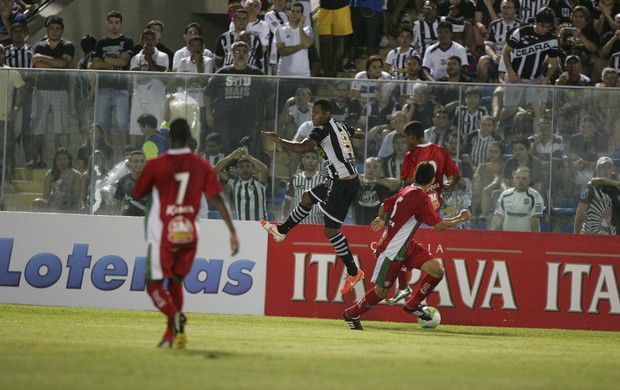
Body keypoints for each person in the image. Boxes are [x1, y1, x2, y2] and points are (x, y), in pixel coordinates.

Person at [132, 118, 239, 349]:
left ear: (170, 138)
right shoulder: (201, 165)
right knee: (176, 284)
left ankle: (174, 316)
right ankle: (173, 337)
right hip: (189, 233)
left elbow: (138, 191)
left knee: (153, 285)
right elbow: (218, 198)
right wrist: (231, 231)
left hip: (166, 231)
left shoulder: (158, 164)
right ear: (190, 138)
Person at [342, 162, 472, 330]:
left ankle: (412, 305)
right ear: (432, 180)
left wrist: (382, 219)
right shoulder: (420, 197)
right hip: (393, 250)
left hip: (407, 245)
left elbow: (384, 206)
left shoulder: (407, 190)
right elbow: (439, 226)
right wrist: (460, 218)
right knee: (381, 292)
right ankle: (351, 314)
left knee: (437, 271)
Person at [261, 98, 366, 294]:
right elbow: (360, 134)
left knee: (331, 232)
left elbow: (301, 148)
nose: (313, 115)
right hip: (339, 180)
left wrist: (278, 140)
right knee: (307, 197)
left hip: (342, 185)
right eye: (313, 112)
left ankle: (353, 272)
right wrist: (351, 137)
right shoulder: (340, 124)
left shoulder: (322, 129)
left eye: (317, 112)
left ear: (327, 114)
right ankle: (282, 230)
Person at [499, 7, 559, 136]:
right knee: (510, 109)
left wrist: (546, 79)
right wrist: (509, 70)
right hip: (515, 76)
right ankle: (498, 127)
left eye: (548, 27)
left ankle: (537, 139)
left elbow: (552, 63)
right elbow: (506, 51)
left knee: (540, 111)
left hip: (535, 78)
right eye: (542, 26)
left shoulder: (552, 39)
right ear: (535, 22)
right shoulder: (521, 32)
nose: (544, 29)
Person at [203, 40, 267, 157]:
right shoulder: (222, 72)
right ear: (232, 54)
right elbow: (208, 94)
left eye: (244, 51)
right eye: (237, 51)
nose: (241, 54)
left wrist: (262, 112)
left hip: (248, 122)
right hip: (224, 122)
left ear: (248, 55)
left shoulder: (256, 73)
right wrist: (208, 113)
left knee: (247, 152)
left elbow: (270, 94)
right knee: (225, 153)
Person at [89, 10, 134, 149]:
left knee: (122, 125)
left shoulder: (127, 41)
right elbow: (95, 65)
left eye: (117, 22)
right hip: (103, 87)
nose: (114, 25)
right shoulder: (101, 42)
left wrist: (105, 59)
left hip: (121, 88)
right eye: (111, 22)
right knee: (103, 125)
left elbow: (124, 63)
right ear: (107, 24)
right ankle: (106, 157)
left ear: (121, 24)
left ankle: (124, 158)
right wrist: (116, 60)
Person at [31, 15, 74, 154]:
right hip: (41, 90)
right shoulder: (39, 45)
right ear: (46, 30)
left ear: (62, 30)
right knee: (38, 127)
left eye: (58, 29)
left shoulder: (68, 45)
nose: (54, 31)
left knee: (61, 128)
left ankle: (64, 157)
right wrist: (58, 63)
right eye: (52, 29)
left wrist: (42, 58)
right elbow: (38, 66)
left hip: (61, 90)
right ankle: (36, 160)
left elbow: (63, 63)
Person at [129, 29, 168, 148]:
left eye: (152, 39)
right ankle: (139, 157)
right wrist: (145, 57)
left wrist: (149, 58)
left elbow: (161, 77)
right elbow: (138, 78)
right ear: (141, 41)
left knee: (156, 131)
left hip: (156, 100)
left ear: (156, 41)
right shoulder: (135, 58)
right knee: (138, 131)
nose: (149, 41)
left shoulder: (162, 56)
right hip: (139, 99)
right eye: (146, 39)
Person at [214, 146, 269, 221]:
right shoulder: (234, 183)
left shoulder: (259, 182)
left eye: (247, 166)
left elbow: (264, 170)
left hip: (260, 226)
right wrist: (232, 156)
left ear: (252, 169)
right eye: (241, 167)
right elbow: (217, 170)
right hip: (242, 226)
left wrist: (249, 157)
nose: (244, 169)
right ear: (237, 170)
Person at [0, 43, 25, 189]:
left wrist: (15, 109)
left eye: (0, 53)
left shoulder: (12, 72)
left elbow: (24, 91)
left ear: (4, 54)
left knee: (8, 151)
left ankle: (8, 180)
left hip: (4, 119)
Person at [573, 156, 618, 234]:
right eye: (603, 167)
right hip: (591, 235)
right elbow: (580, 215)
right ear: (597, 169)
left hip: (608, 237)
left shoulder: (614, 189)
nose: (606, 170)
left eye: (609, 167)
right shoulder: (590, 187)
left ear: (612, 170)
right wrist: (575, 237)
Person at [492, 166, 545, 232]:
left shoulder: (535, 196)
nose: (520, 180)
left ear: (529, 181)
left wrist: (534, 241)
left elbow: (534, 222)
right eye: (517, 177)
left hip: (526, 239)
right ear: (513, 179)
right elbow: (498, 218)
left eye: (524, 178)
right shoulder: (504, 195)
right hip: (507, 239)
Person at [282, 148, 324, 224]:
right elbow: (287, 202)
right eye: (308, 157)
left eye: (314, 158)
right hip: (298, 225)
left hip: (317, 225)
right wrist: (284, 220)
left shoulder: (323, 180)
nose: (310, 161)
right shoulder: (295, 179)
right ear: (303, 160)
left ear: (318, 161)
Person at [32, 148, 81, 213]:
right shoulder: (50, 174)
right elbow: (46, 195)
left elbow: (75, 196)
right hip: (53, 203)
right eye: (59, 159)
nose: (61, 162)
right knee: (37, 202)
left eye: (64, 158)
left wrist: (63, 203)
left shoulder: (76, 175)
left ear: (69, 160)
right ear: (55, 161)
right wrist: (52, 203)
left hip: (68, 204)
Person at [354, 157, 399, 225]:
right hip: (359, 226)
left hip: (379, 226)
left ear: (381, 170)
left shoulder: (385, 184)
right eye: (368, 166)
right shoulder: (358, 182)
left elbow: (395, 184)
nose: (371, 170)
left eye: (375, 167)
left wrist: (373, 181)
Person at [275, 1, 313, 77]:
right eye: (293, 11)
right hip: (284, 73)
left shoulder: (308, 29)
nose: (295, 14)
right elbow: (282, 51)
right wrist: (301, 46)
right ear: (288, 13)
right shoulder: (280, 30)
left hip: (303, 73)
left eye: (298, 12)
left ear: (302, 14)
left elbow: (307, 44)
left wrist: (300, 26)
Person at [317, 0, 352, 77]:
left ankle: (333, 72)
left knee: (338, 41)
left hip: (342, 8)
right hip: (324, 9)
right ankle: (326, 71)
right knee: (324, 42)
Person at [113, 150, 146, 216]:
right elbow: (117, 202)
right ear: (130, 163)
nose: (139, 164)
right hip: (127, 220)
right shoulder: (124, 181)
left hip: (145, 221)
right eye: (136, 161)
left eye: (142, 161)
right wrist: (115, 221)